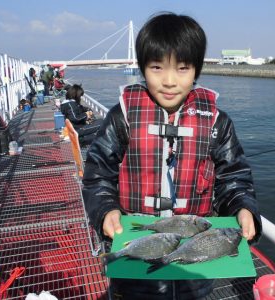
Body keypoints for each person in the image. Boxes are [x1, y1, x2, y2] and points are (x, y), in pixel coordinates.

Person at [82, 12, 262, 300]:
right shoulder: (123, 118)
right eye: (156, 67)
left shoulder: (217, 122)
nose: (168, 80)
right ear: (142, 68)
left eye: (181, 68)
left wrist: (243, 207)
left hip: (194, 269)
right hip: (137, 256)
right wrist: (105, 210)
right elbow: (98, 174)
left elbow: (234, 177)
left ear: (196, 70)